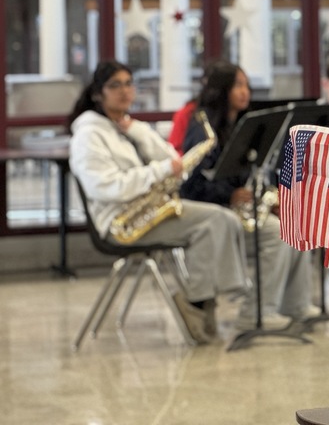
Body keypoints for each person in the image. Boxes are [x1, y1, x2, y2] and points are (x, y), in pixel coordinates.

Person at [68, 61, 249, 345]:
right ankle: (201, 302)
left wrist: (139, 134)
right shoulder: (89, 135)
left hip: (149, 210)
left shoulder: (130, 127)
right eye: (115, 85)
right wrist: (158, 172)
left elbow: (171, 159)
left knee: (221, 219)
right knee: (213, 222)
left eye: (129, 83)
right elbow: (104, 186)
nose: (125, 91)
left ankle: (205, 300)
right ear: (97, 93)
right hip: (121, 221)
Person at [180, 61, 315, 331]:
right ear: (222, 90)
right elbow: (191, 186)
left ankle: (296, 303)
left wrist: (266, 196)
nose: (246, 92)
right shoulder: (202, 127)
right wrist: (230, 194)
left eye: (247, 85)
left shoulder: (240, 123)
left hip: (235, 207)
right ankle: (257, 312)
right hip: (214, 212)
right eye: (238, 85)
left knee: (295, 222)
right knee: (277, 233)